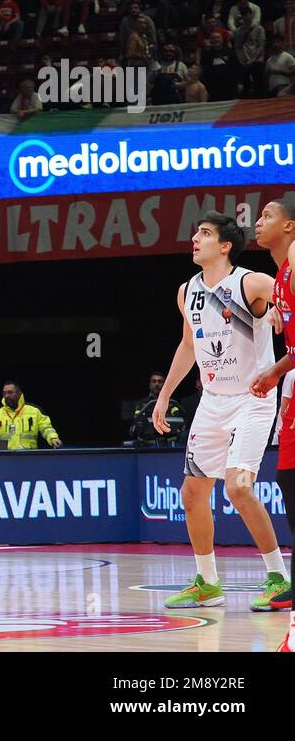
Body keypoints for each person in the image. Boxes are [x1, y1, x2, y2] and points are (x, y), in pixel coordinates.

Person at [150, 212, 288, 615]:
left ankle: (279, 578)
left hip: (253, 397)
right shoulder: (186, 290)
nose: (195, 238)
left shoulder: (251, 282)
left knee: (239, 486)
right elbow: (188, 346)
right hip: (212, 401)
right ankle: (207, 583)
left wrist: (284, 309)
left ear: (225, 246)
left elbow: (288, 293)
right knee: (192, 492)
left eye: (205, 234)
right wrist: (164, 397)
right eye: (196, 232)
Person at [247, 197, 295, 645]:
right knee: (287, 478)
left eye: (267, 216)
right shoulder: (281, 278)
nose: (258, 222)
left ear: (290, 226)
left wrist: (273, 370)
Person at [0, 382, 62, 449]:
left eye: (10, 392)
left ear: (19, 394)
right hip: (4, 457)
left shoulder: (34, 411)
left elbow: (46, 428)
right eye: (4, 393)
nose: (6, 396)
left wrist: (53, 438)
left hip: (28, 457)